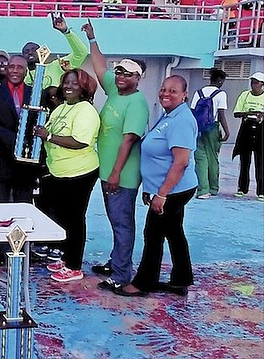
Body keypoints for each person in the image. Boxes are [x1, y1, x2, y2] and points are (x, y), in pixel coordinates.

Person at [82, 21, 150, 291]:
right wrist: (92, 39)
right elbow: (99, 68)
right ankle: (116, 261)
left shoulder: (137, 102)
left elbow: (128, 141)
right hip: (109, 173)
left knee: (123, 224)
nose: (121, 76)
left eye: (128, 74)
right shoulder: (114, 91)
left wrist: (115, 173)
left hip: (121, 176)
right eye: (119, 71)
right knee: (115, 220)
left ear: (138, 78)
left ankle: (122, 275)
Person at [115, 75, 198, 297]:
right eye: (163, 89)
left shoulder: (181, 120)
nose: (165, 94)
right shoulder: (169, 116)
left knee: (153, 233)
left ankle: (143, 283)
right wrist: (150, 190)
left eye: (172, 91)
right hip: (166, 188)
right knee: (173, 232)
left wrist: (161, 195)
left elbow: (180, 162)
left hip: (174, 189)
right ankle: (181, 280)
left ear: (184, 94)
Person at [33, 68, 100, 282]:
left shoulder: (85, 110)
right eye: (66, 82)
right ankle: (65, 258)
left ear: (84, 88)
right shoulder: (62, 107)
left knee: (75, 219)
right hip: (59, 172)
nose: (68, 86)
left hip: (80, 173)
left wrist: (49, 136)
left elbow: (80, 141)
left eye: (74, 83)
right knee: (63, 217)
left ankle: (74, 266)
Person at [0, 55, 35, 203]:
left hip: (25, 163)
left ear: (26, 71)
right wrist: (13, 140)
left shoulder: (35, 94)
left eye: (20, 68)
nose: (15, 71)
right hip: (0, 160)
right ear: (6, 69)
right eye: (12, 67)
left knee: (24, 207)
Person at [190, 69, 229, 199]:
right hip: (212, 127)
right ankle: (213, 188)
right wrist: (227, 131)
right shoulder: (221, 94)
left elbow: (192, 111)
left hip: (199, 128)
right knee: (213, 158)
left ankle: (202, 190)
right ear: (219, 80)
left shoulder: (198, 93)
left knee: (200, 158)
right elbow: (221, 114)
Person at [22, 13, 88, 89]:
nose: (30, 52)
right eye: (26, 51)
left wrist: (66, 31)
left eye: (34, 50)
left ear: (41, 52)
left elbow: (81, 53)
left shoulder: (57, 66)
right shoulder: (22, 76)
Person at [232, 72, 264, 201]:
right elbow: (236, 113)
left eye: (256, 82)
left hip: (261, 130)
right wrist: (250, 113)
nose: (253, 85)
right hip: (246, 128)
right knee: (244, 160)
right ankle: (242, 188)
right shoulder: (245, 95)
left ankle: (261, 191)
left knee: (260, 162)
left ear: (262, 84)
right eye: (252, 82)